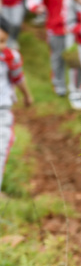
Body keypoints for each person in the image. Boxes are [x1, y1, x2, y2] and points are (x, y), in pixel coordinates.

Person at [27, 0, 77, 104]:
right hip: (54, 26)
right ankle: (59, 85)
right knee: (57, 57)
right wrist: (38, 7)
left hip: (71, 26)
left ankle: (75, 88)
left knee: (74, 58)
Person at [0, 20, 34, 191]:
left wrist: (27, 96)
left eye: (3, 41)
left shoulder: (10, 56)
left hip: (2, 111)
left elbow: (17, 77)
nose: (1, 45)